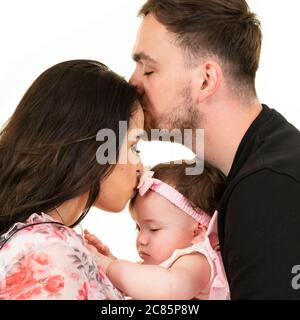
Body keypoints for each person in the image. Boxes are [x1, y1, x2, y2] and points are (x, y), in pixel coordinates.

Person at [129, 0, 300, 299]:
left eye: (149, 70)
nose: (133, 82)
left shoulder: (267, 189)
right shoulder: (258, 168)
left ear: (206, 80)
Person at [0, 59, 144, 299]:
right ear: (94, 146)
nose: (141, 166)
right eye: (134, 147)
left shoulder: (40, 243)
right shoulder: (50, 254)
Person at [85, 161, 230, 300]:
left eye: (153, 229)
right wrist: (110, 260)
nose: (141, 239)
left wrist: (107, 265)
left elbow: (168, 287)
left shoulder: (199, 261)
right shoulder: (165, 266)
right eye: (139, 228)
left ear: (197, 233)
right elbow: (139, 284)